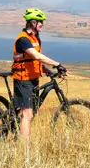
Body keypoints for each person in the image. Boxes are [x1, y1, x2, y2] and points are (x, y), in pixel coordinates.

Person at [11, 8, 67, 139]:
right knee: (27, 114)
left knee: (30, 111)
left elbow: (33, 60)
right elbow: (36, 55)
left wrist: (47, 70)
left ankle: (16, 133)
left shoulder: (34, 38)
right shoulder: (23, 39)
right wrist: (57, 64)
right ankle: (24, 149)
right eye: (41, 21)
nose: (43, 24)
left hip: (33, 78)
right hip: (23, 79)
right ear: (33, 23)